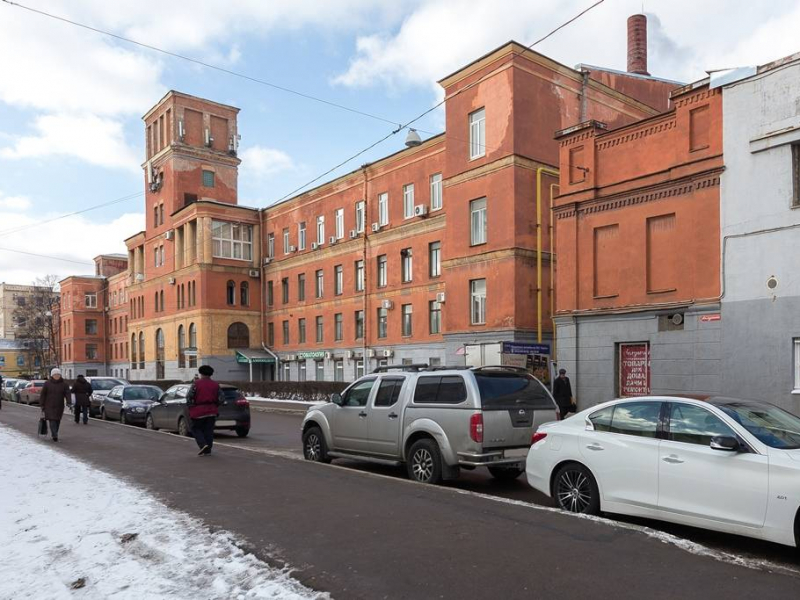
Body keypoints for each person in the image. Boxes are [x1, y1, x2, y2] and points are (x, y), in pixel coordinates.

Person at [187, 365, 220, 456]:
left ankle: (203, 444)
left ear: (201, 373)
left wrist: (191, 407)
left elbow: (189, 397)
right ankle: (208, 450)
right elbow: (221, 398)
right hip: (212, 411)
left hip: (198, 411)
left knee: (195, 428)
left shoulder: (196, 384)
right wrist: (215, 406)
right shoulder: (215, 384)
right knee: (209, 430)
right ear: (211, 374)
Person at [40, 368, 71, 442]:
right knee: (52, 420)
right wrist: (42, 404)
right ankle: (54, 434)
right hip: (49, 405)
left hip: (59, 405)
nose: (57, 376)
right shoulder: (47, 383)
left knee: (57, 420)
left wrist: (69, 402)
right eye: (55, 375)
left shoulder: (64, 384)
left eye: (58, 374)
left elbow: (67, 393)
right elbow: (43, 394)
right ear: (52, 375)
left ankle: (55, 432)